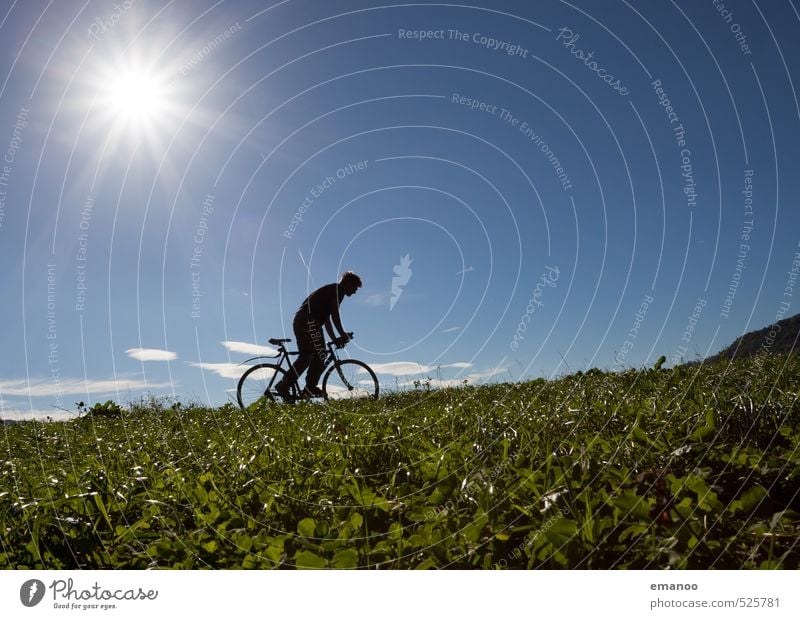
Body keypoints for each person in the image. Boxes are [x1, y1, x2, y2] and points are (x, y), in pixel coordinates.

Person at [275, 271, 362, 400]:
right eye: (355, 287)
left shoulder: (331, 290)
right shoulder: (338, 290)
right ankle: (308, 387)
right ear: (348, 283)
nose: (355, 291)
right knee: (320, 353)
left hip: (303, 320)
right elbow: (335, 315)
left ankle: (287, 385)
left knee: (307, 356)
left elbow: (327, 320)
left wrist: (334, 339)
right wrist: (343, 334)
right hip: (308, 321)